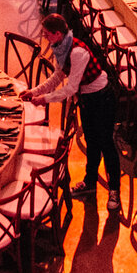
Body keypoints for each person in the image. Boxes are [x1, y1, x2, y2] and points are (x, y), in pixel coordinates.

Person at [20, 13, 122, 212]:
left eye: (47, 34)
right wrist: (34, 92)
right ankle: (90, 182)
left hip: (102, 98)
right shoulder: (61, 48)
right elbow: (57, 77)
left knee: (106, 144)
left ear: (58, 34)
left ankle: (114, 190)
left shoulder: (77, 52)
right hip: (88, 99)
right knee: (92, 142)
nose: (45, 37)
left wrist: (44, 100)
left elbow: (71, 88)